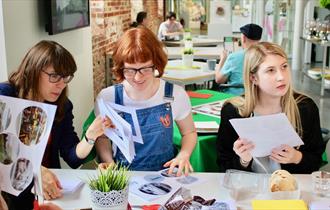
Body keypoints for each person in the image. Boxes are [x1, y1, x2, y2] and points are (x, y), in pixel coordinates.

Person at [0, 40, 111, 209]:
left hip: (48, 192)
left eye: (66, 77)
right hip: (8, 194)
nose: (61, 84)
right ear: (34, 70)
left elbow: (72, 157)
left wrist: (90, 136)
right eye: (54, 76)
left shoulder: (63, 105)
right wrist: (35, 169)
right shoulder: (5, 95)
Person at [95, 27, 197, 176]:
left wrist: (184, 154)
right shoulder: (108, 98)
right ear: (120, 67)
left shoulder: (175, 94)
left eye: (145, 69)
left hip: (166, 176)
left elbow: (189, 132)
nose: (138, 78)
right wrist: (109, 162)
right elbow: (103, 137)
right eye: (130, 70)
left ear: (156, 63)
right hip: (124, 176)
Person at [216, 42, 325, 174]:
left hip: (290, 190)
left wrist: (297, 158)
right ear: (253, 78)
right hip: (248, 190)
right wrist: (243, 160)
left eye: (284, 67)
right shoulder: (233, 110)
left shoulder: (305, 107)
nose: (281, 77)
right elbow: (223, 165)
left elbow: (316, 160)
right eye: (271, 70)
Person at [215, 23, 263, 95]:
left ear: (243, 38)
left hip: (235, 98)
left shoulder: (234, 57)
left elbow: (219, 80)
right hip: (256, 97)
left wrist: (222, 59)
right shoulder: (264, 56)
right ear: (259, 39)